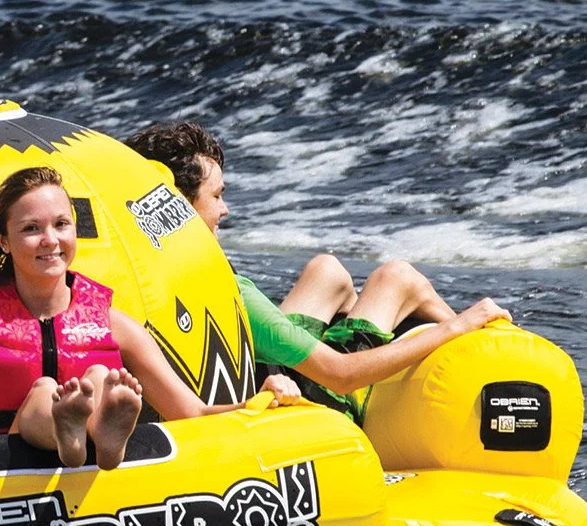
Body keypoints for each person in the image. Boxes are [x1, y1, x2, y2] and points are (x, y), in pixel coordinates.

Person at [0, 165, 294, 471]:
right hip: (11, 459)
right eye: (31, 229)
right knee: (45, 392)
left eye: (61, 225)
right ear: (3, 241)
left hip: (95, 450)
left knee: (101, 376)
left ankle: (98, 430)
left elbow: (191, 413)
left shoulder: (112, 319)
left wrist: (263, 398)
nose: (50, 239)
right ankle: (73, 427)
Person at [126, 120, 509, 421]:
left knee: (327, 271)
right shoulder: (224, 290)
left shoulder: (138, 275)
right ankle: (496, 355)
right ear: (179, 206)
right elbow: (340, 374)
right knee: (398, 278)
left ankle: (359, 325)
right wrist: (458, 325)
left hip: (265, 370)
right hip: (308, 400)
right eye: (217, 196)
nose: (225, 209)